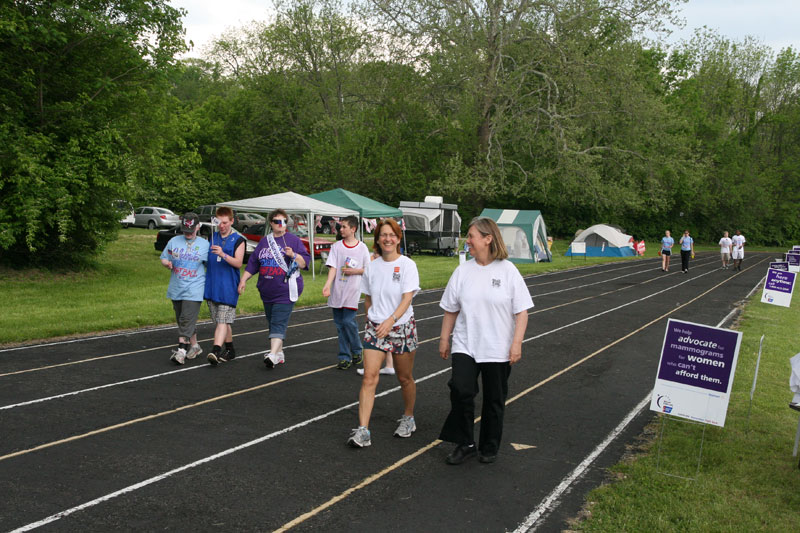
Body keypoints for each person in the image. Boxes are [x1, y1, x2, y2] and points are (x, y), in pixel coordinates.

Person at [438, 217, 533, 465]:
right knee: (460, 389)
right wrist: (444, 339)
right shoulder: (462, 271)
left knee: (494, 399)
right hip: (466, 344)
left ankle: (489, 446)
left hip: (498, 347)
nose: (466, 241)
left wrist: (516, 343)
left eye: (471, 236)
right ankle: (466, 443)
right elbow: (451, 309)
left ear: (487, 239)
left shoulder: (508, 271)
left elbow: (522, 311)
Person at [347, 219, 420, 448]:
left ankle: (408, 417)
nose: (387, 239)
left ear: (398, 238)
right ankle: (363, 431)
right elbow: (367, 297)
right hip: (376, 327)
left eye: (392, 235)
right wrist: (372, 318)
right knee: (369, 378)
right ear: (377, 239)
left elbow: (407, 298)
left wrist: (391, 320)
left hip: (401, 326)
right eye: (383, 235)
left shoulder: (408, 265)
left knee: (404, 377)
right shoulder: (371, 266)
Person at [238, 209, 311, 368]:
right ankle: (279, 353)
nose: (281, 224)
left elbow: (305, 262)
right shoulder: (265, 241)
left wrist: (293, 255)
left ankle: (272, 354)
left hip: (285, 290)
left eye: (284, 221)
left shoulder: (293, 240)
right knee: (273, 322)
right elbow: (253, 263)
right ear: (271, 223)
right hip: (267, 290)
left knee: (278, 322)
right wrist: (243, 280)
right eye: (277, 221)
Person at [160, 212, 209, 365]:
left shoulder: (205, 245)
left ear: (198, 227)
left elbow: (211, 266)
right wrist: (166, 263)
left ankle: (181, 350)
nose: (188, 234)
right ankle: (194, 346)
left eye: (191, 230)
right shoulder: (174, 241)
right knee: (183, 320)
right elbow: (164, 257)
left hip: (195, 287)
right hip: (177, 287)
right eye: (185, 231)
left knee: (186, 319)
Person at [322, 215, 371, 370]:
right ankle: (344, 356)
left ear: (353, 229)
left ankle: (357, 349)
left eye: (344, 227)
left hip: (352, 290)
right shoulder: (336, 247)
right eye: (340, 227)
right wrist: (328, 285)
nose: (340, 229)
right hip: (338, 290)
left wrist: (355, 271)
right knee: (339, 325)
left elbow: (368, 269)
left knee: (348, 321)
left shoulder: (362, 247)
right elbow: (333, 267)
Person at [205, 206, 246, 365]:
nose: (221, 226)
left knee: (222, 320)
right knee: (221, 321)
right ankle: (230, 349)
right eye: (219, 223)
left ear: (231, 221)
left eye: (225, 223)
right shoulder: (211, 237)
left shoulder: (238, 240)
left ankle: (215, 349)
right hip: (212, 285)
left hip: (228, 287)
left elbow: (238, 263)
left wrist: (223, 254)